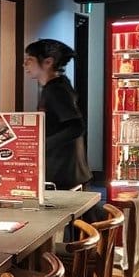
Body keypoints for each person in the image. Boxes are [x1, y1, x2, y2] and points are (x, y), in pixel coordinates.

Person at [23, 39, 93, 191]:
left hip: (64, 174)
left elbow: (76, 127)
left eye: (29, 60)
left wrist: (41, 145)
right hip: (68, 172)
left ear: (48, 62)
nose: (25, 65)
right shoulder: (58, 86)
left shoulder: (56, 90)